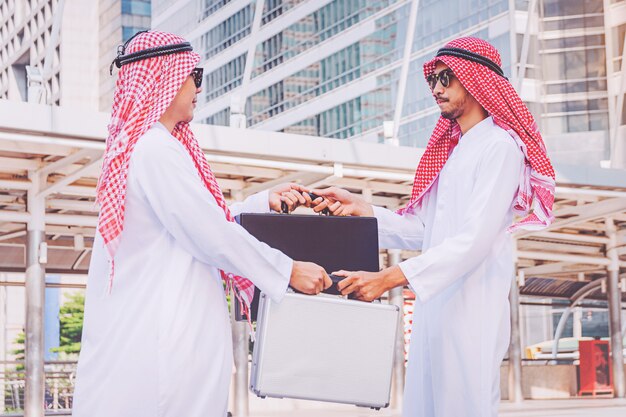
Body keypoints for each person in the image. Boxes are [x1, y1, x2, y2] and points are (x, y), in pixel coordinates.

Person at [72, 31, 330, 417]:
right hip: (161, 361)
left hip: (157, 357)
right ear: (165, 77)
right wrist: (287, 270)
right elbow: (209, 234)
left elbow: (192, 221)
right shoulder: (155, 149)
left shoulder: (149, 148)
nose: (198, 87)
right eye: (194, 75)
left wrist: (261, 202)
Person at [312, 37, 556, 417]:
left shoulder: (500, 148)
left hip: (470, 311)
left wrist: (389, 277)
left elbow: (474, 241)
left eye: (446, 78)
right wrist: (365, 209)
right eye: (433, 81)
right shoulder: (457, 149)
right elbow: (424, 230)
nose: (437, 89)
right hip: (434, 308)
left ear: (476, 82)